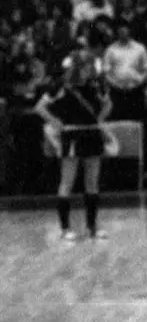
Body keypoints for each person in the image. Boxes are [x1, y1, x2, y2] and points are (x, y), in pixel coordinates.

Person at [36, 52, 111, 242]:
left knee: (92, 182)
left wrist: (99, 120)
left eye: (91, 65)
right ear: (78, 67)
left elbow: (108, 104)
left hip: (92, 135)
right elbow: (40, 107)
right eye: (87, 65)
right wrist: (55, 121)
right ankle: (65, 228)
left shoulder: (96, 85)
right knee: (67, 182)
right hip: (72, 137)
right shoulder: (61, 86)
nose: (91, 69)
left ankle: (92, 227)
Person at [101, 20, 147, 123]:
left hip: (136, 90)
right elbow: (106, 71)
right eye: (120, 31)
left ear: (129, 31)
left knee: (136, 120)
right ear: (117, 33)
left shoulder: (140, 48)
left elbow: (146, 68)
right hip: (117, 91)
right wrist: (115, 83)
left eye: (125, 30)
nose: (123, 33)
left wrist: (140, 81)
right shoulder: (110, 50)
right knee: (119, 120)